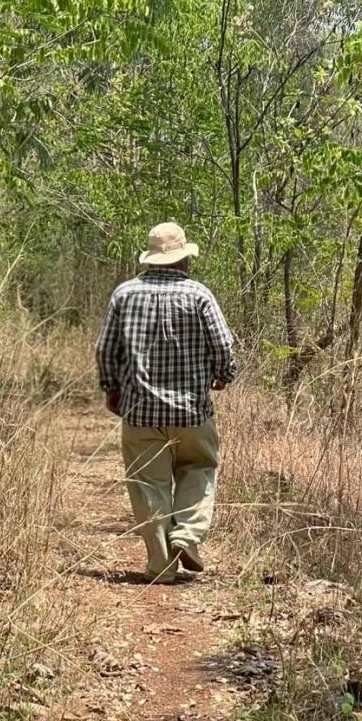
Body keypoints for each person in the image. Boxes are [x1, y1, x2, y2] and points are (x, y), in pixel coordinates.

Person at [95, 221, 237, 584]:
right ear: (184, 259)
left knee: (148, 484)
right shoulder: (199, 295)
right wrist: (223, 376)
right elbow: (224, 345)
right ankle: (187, 536)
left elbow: (105, 350)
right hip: (192, 411)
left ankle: (161, 566)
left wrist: (112, 389)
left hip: (140, 412)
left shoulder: (124, 295)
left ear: (151, 259)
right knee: (199, 469)